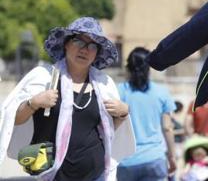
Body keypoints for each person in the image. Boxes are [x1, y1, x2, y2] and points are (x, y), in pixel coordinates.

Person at [0, 16, 135, 180]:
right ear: (66, 44)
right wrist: (33, 103)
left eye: (92, 45)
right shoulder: (44, 77)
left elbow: (108, 130)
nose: (84, 49)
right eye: (79, 42)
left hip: (96, 174)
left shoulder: (104, 84)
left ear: (97, 53)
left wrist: (123, 113)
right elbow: (13, 118)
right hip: (51, 174)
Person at [117, 47, 177, 181]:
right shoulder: (162, 92)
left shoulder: (119, 91)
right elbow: (167, 128)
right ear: (149, 67)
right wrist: (172, 157)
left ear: (128, 67)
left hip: (126, 161)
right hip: (154, 158)